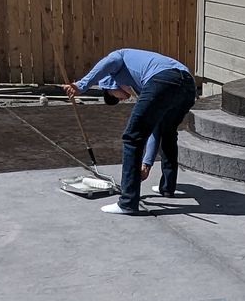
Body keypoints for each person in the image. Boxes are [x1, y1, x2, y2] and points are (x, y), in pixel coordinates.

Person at [64, 47, 200, 215]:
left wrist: (80, 86)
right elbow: (154, 131)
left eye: (114, 96)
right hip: (188, 86)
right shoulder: (143, 80)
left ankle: (127, 202)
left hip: (164, 80)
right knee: (167, 132)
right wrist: (146, 164)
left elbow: (109, 62)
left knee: (131, 138)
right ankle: (167, 188)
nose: (121, 99)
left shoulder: (120, 59)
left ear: (110, 85)